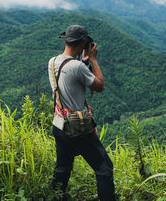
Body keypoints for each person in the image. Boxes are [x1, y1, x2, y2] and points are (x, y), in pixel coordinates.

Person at [48, 25, 116, 201]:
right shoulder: (77, 67)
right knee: (104, 168)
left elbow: (70, 78)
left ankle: (55, 197)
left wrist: (83, 61)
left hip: (59, 124)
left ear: (65, 41)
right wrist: (92, 59)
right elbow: (99, 86)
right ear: (83, 44)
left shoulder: (53, 61)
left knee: (62, 168)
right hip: (77, 128)